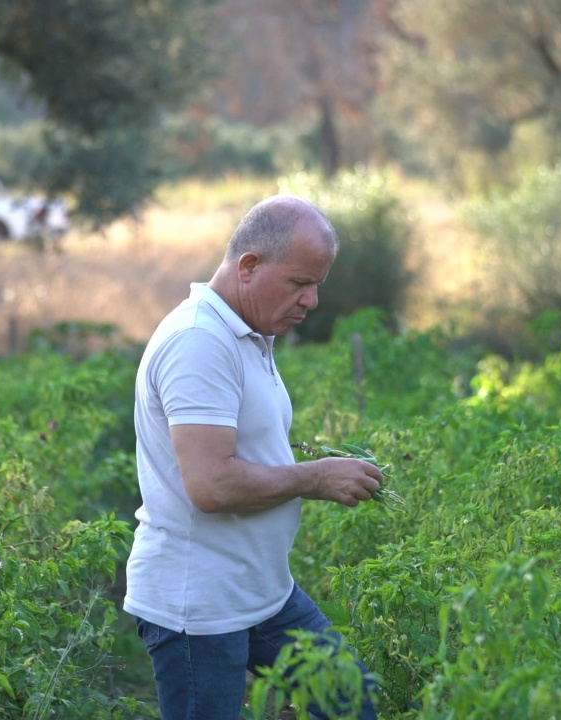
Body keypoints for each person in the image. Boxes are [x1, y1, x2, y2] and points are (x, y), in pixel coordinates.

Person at [124, 194, 382, 719]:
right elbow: (211, 486)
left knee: (348, 702)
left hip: (261, 591)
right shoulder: (199, 341)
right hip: (199, 607)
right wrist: (315, 477)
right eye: (299, 283)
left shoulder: (249, 334)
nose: (311, 301)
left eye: (316, 286)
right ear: (249, 266)